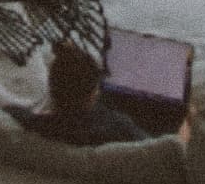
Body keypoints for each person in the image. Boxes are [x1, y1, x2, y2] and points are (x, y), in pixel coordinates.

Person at [15, 38, 143, 147]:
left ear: (51, 88)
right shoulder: (120, 130)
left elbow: (15, 112)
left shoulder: (33, 126)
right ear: (94, 93)